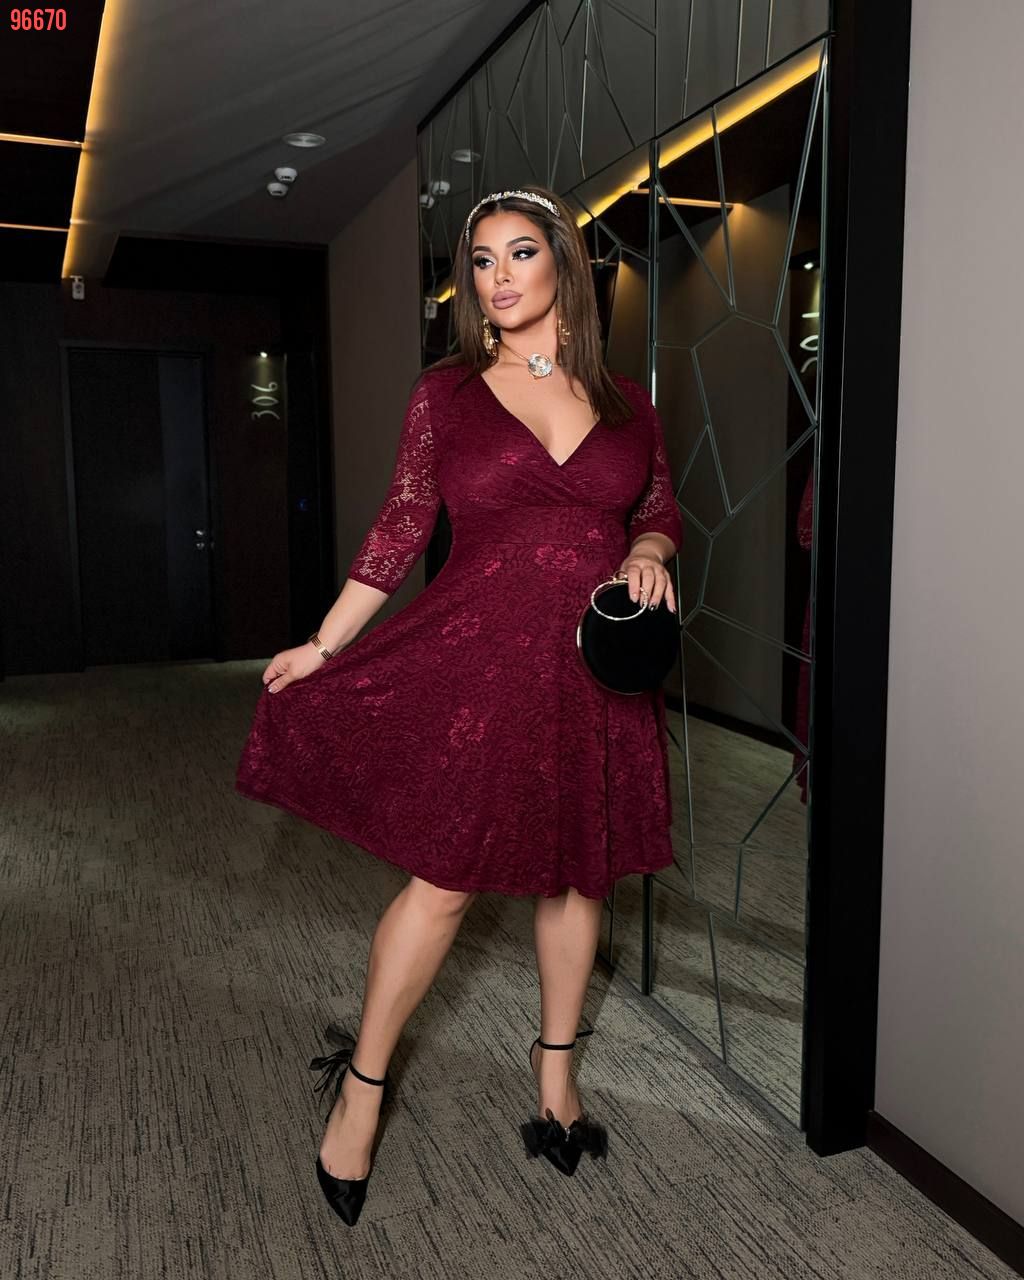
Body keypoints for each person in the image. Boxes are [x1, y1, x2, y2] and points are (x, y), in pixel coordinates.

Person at [235, 184, 683, 1226]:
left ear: (562, 261)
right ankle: (363, 1085)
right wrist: (322, 644)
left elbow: (656, 504)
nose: (497, 277)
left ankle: (555, 1074)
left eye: (519, 252)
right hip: (481, 664)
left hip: (593, 671)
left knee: (577, 873)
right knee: (443, 883)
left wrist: (653, 549)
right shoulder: (447, 394)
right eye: (480, 261)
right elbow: (399, 530)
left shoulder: (627, 401)